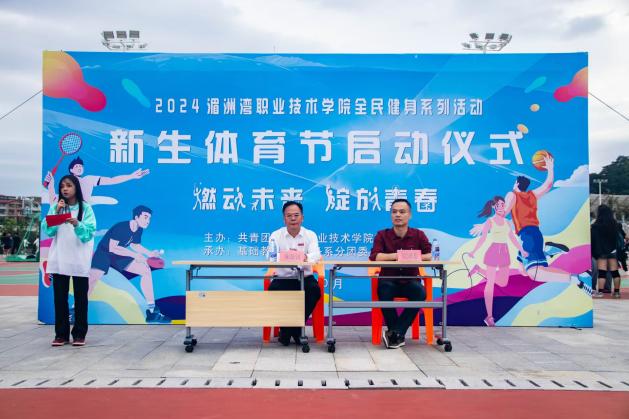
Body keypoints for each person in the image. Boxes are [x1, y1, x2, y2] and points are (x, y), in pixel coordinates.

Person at [504, 155, 590, 293]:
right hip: (534, 234)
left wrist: (490, 221)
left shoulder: (512, 194)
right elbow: (548, 185)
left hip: (527, 235)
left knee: (534, 273)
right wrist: (550, 168)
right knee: (522, 270)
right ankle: (548, 252)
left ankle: (575, 278)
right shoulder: (532, 195)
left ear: (516, 184)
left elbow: (504, 212)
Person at [88, 205, 169, 323]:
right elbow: (112, 248)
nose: (148, 221)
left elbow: (135, 245)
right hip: (104, 253)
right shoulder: (121, 227)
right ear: (136, 217)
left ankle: (152, 312)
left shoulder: (139, 229)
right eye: (145, 217)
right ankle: (75, 310)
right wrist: (135, 255)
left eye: (149, 218)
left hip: (118, 256)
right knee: (93, 279)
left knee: (145, 270)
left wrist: (149, 253)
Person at [369, 198, 432, 349]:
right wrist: (398, 256)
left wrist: (410, 256)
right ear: (391, 215)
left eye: (402, 212)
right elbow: (375, 256)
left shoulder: (419, 235)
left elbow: (429, 256)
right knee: (384, 290)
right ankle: (397, 334)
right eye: (394, 212)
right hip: (388, 280)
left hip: (410, 280)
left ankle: (395, 333)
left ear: (409, 215)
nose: (398, 215)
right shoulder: (382, 235)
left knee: (420, 292)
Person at [41, 174, 96, 346]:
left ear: (76, 187)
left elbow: (89, 233)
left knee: (81, 299)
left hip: (79, 260)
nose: (65, 189)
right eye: (62, 186)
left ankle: (79, 334)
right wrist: (56, 212)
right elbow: (48, 231)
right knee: (60, 299)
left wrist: (77, 224)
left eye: (69, 185)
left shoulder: (85, 208)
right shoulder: (56, 207)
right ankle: (61, 334)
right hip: (60, 259)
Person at [467, 196, 528, 326]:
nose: (501, 207)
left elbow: (512, 238)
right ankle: (489, 317)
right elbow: (483, 238)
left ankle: (478, 269)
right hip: (493, 251)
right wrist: (473, 251)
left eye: (503, 205)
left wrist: (522, 250)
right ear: (494, 207)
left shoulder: (507, 222)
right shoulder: (490, 221)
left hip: (504, 252)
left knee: (502, 282)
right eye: (499, 205)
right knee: (490, 283)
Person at [267, 201, 322, 346]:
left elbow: (316, 255)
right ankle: (295, 331)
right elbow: (271, 257)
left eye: (296, 215)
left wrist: (303, 257)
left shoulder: (310, 235)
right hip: (283, 278)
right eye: (289, 215)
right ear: (284, 219)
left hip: (305, 278)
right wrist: (290, 256)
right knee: (273, 292)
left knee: (314, 291)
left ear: (302, 218)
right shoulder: (276, 235)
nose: (293, 218)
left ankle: (289, 331)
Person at [45, 156, 149, 205]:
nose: (79, 167)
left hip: (80, 217)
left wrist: (131, 176)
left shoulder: (88, 179)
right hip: (65, 217)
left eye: (81, 166)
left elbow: (112, 180)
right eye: (76, 166)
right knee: (51, 223)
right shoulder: (66, 183)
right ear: (71, 170)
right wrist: (50, 185)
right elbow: (52, 202)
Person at [591, 205, 625, 298]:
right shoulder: (616, 225)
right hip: (613, 252)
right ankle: (617, 292)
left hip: (601, 252)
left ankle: (600, 292)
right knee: (615, 273)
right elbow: (622, 237)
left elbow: (593, 240)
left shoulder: (595, 226)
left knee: (602, 273)